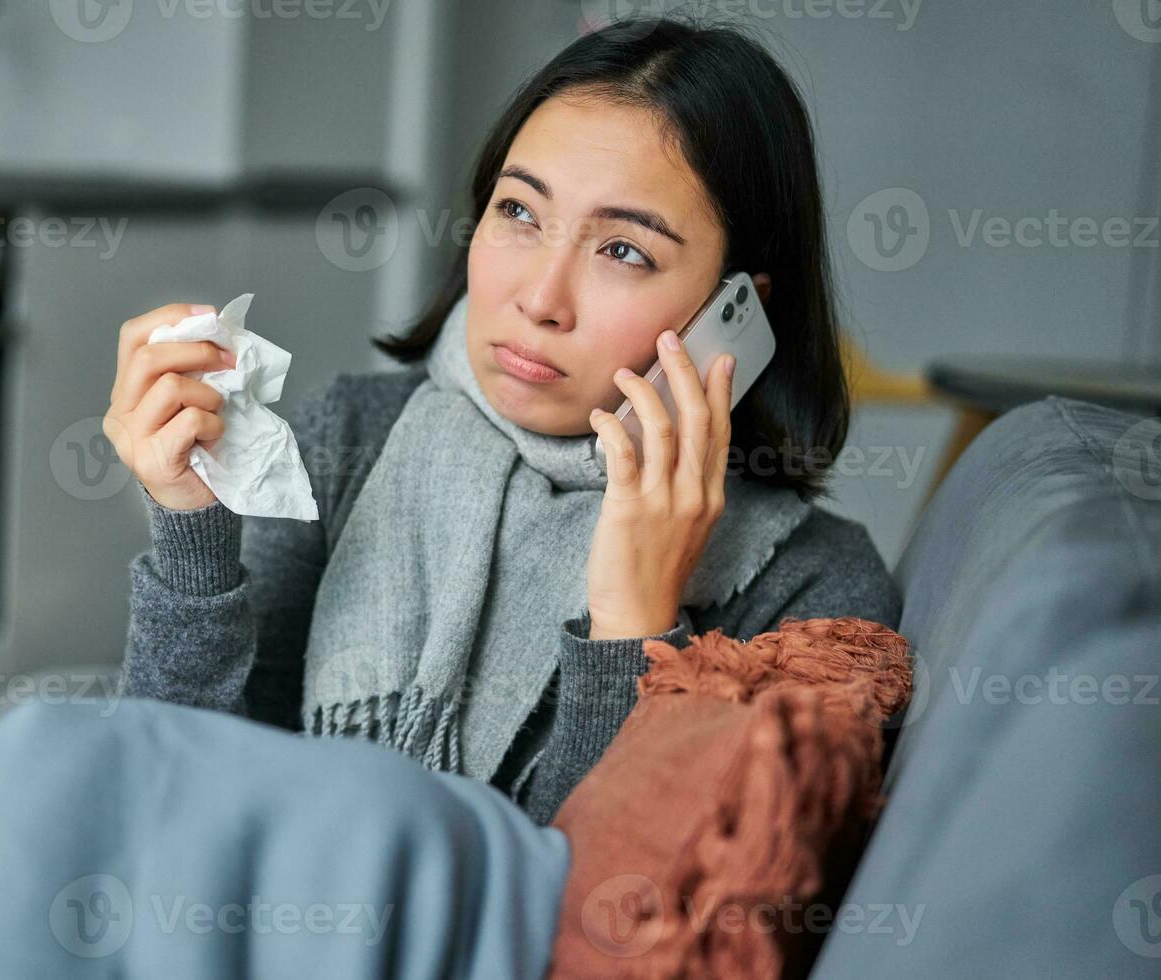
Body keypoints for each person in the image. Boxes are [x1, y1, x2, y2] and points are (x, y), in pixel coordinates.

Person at [106, 16, 901, 827]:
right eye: (520, 212)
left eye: (624, 250)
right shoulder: (350, 438)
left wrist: (635, 627)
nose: (539, 299)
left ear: (738, 312)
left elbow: (599, 920)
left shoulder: (817, 596)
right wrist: (191, 530)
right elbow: (170, 800)